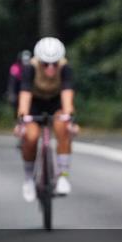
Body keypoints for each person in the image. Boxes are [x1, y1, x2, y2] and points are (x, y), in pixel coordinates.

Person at [15, 37, 77, 202]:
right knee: (31, 137)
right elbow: (25, 96)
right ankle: (29, 178)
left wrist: (69, 118)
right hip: (34, 103)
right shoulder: (30, 68)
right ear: (39, 61)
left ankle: (63, 176)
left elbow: (67, 95)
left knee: (63, 127)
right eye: (46, 64)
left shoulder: (65, 68)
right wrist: (22, 119)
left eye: (54, 63)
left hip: (55, 102)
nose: (50, 68)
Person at [6, 50, 33, 116]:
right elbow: (12, 82)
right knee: (16, 103)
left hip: (30, 89)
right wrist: (11, 93)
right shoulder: (15, 67)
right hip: (18, 89)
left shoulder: (33, 68)